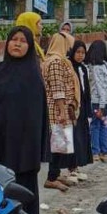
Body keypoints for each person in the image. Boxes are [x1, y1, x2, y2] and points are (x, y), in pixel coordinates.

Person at [0, 26, 49, 214]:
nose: (17, 44)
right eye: (14, 39)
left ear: (30, 46)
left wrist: (36, 147)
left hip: (24, 144)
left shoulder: (33, 75)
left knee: (22, 185)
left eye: (23, 41)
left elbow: (38, 115)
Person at [42, 33, 80, 191]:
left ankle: (55, 174)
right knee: (57, 145)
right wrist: (63, 111)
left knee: (60, 145)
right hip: (58, 108)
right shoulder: (56, 61)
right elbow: (57, 88)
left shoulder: (59, 60)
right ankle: (51, 178)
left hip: (61, 107)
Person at [68, 40, 93, 176]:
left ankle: (77, 166)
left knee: (82, 137)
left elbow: (86, 90)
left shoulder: (83, 68)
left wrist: (88, 109)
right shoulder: (69, 67)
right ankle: (71, 167)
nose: (80, 55)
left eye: (83, 53)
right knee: (74, 137)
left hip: (83, 107)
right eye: (78, 52)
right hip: (74, 107)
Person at [86, 40, 107, 161]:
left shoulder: (96, 68)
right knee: (102, 125)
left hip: (98, 100)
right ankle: (105, 151)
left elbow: (99, 86)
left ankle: (95, 152)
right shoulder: (106, 65)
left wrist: (101, 106)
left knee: (95, 126)